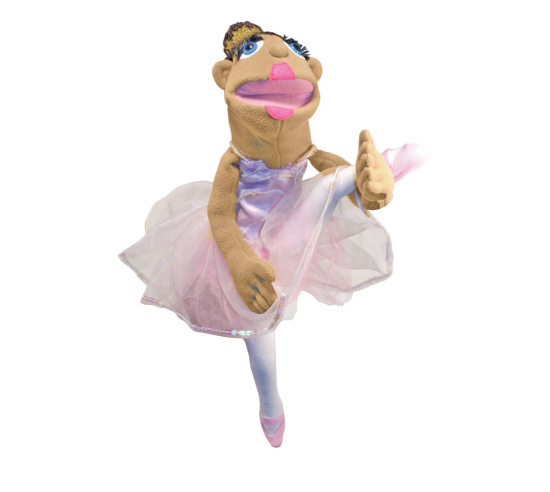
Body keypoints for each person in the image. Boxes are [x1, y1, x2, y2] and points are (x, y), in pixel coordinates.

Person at [120, 21, 426, 447]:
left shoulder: (305, 147)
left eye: (295, 50)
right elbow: (218, 213)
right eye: (252, 50)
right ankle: (270, 404)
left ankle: (380, 176)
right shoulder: (236, 159)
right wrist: (240, 261)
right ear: (225, 76)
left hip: (293, 228)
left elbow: (329, 169)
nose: (281, 56)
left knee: (333, 182)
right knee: (262, 341)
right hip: (248, 250)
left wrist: (361, 188)